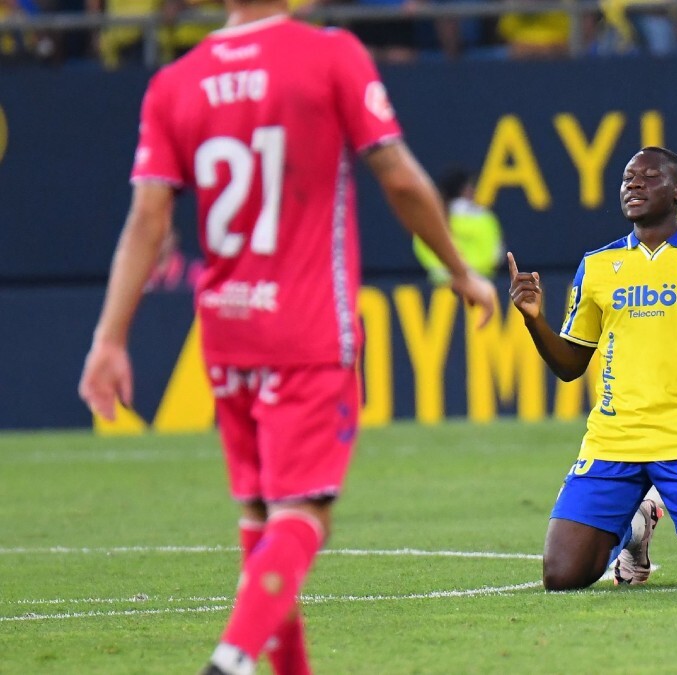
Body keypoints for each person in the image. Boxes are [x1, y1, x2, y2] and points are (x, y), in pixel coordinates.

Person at [76, 2, 498, 673]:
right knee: (305, 517)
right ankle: (234, 658)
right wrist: (459, 269)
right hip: (307, 327)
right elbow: (399, 177)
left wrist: (109, 338)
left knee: (262, 517)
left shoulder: (175, 82)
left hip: (226, 331)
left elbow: (147, 218)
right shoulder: (330, 54)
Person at [508, 146, 677, 590]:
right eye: (628, 178)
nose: (633, 185)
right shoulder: (597, 266)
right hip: (613, 441)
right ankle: (637, 525)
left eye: (648, 178)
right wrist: (535, 321)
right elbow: (571, 365)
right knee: (562, 577)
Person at [413, 167, 505, 285]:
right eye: (471, 187)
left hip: (441, 288)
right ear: (466, 190)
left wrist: (446, 273)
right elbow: (496, 255)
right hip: (481, 287)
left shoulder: (431, 219)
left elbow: (421, 248)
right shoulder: (484, 218)